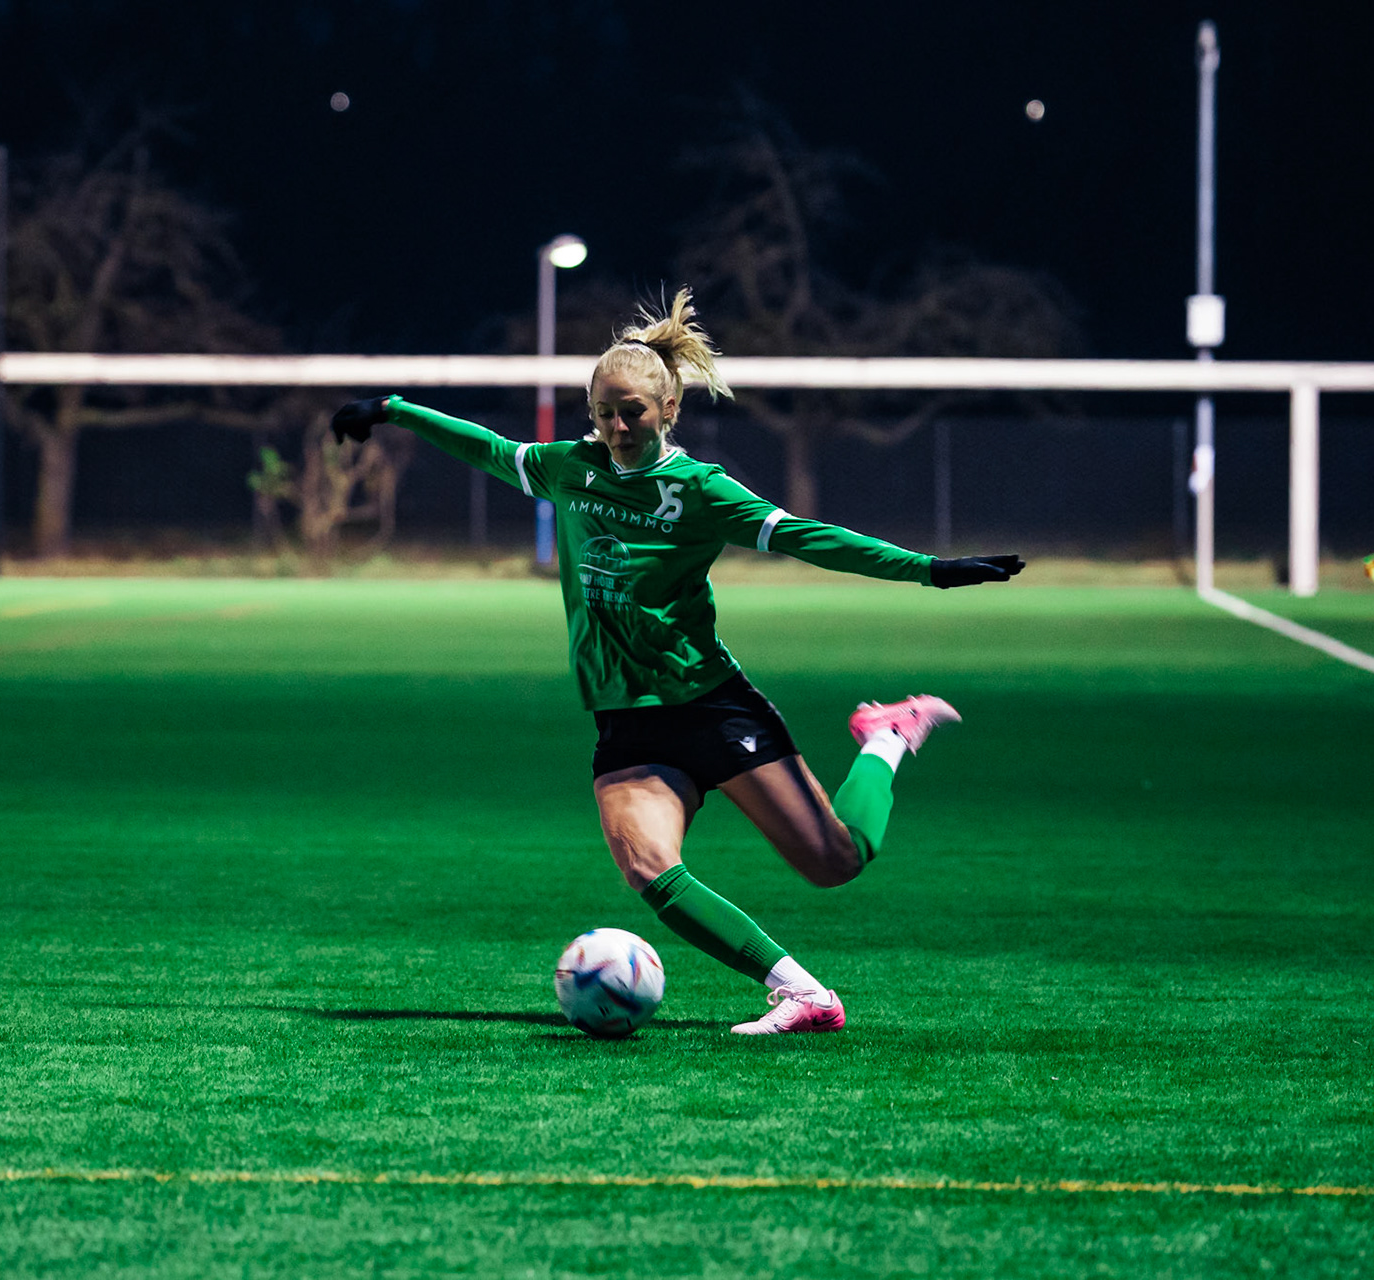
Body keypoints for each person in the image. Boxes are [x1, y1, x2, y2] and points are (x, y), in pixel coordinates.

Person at [331, 289, 1024, 1034]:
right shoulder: (573, 469)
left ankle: (886, 738)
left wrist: (928, 569)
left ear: (668, 409)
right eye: (603, 413)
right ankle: (803, 994)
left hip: (709, 705)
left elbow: (809, 537)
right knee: (647, 868)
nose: (617, 427)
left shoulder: (699, 490)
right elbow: (489, 450)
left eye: (632, 411)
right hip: (626, 723)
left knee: (836, 861)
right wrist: (394, 410)